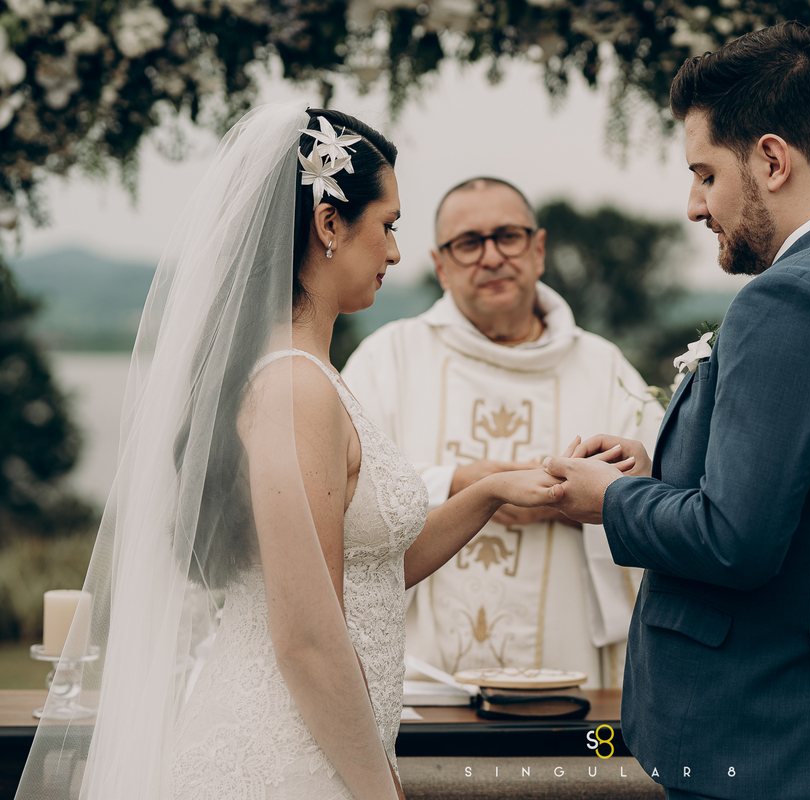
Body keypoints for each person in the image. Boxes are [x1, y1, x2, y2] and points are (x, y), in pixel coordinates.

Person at [15, 103, 561, 800]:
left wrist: (488, 492)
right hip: (286, 755)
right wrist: (378, 788)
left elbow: (368, 570)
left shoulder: (309, 377)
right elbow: (307, 635)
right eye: (388, 225)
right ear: (330, 223)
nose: (396, 252)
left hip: (325, 740)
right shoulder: (295, 389)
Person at [544, 22, 810, 800]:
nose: (694, 205)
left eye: (705, 173)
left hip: (767, 732)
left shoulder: (792, 298)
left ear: (771, 159)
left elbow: (738, 542)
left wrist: (612, 500)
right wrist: (662, 469)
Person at [342, 177, 662, 688]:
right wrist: (459, 484)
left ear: (537, 250)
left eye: (508, 237)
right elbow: (343, 495)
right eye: (468, 243)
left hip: (570, 648)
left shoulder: (606, 368)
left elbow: (658, 500)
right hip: (423, 664)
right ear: (441, 265)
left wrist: (576, 500)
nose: (491, 257)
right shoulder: (388, 359)